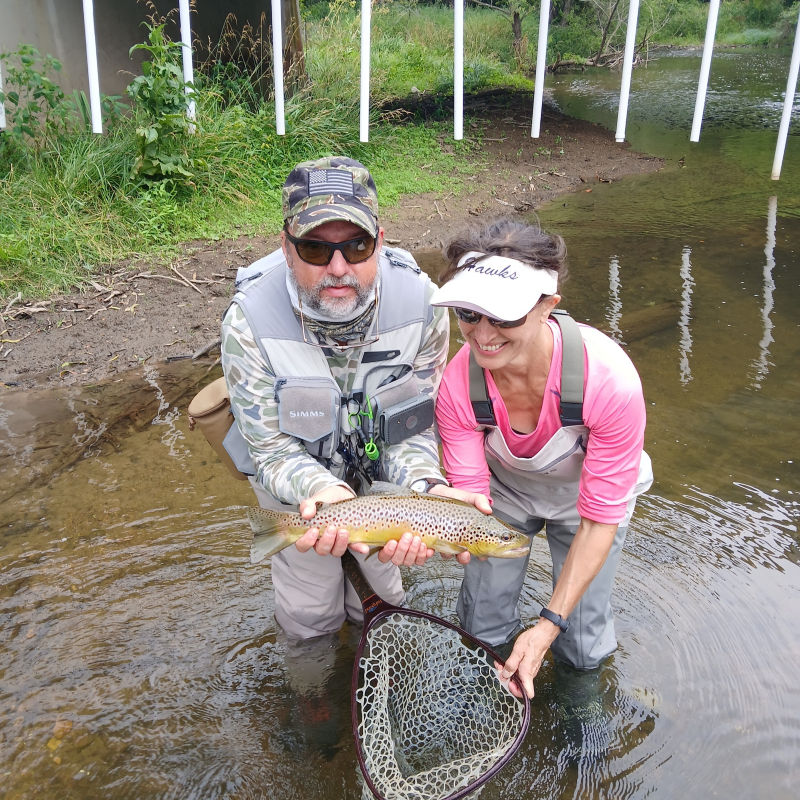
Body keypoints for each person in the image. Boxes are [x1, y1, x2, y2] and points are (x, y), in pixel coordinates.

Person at [220, 156, 484, 641]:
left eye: (356, 246)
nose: (338, 268)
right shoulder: (248, 324)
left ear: (380, 242)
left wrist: (427, 490)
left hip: (382, 484)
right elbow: (271, 449)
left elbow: (414, 428)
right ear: (286, 247)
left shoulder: (425, 308)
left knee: (386, 608)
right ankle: (313, 704)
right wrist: (321, 494)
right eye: (316, 250)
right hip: (293, 485)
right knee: (310, 618)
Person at [430, 217, 653, 699]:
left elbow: (599, 521)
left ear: (547, 306)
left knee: (581, 631)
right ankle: (479, 695)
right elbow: (473, 505)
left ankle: (582, 709)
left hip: (587, 503)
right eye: (469, 314)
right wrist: (437, 534)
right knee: (482, 615)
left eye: (504, 316)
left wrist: (548, 624)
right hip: (504, 494)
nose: (482, 334)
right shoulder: (457, 385)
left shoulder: (609, 381)